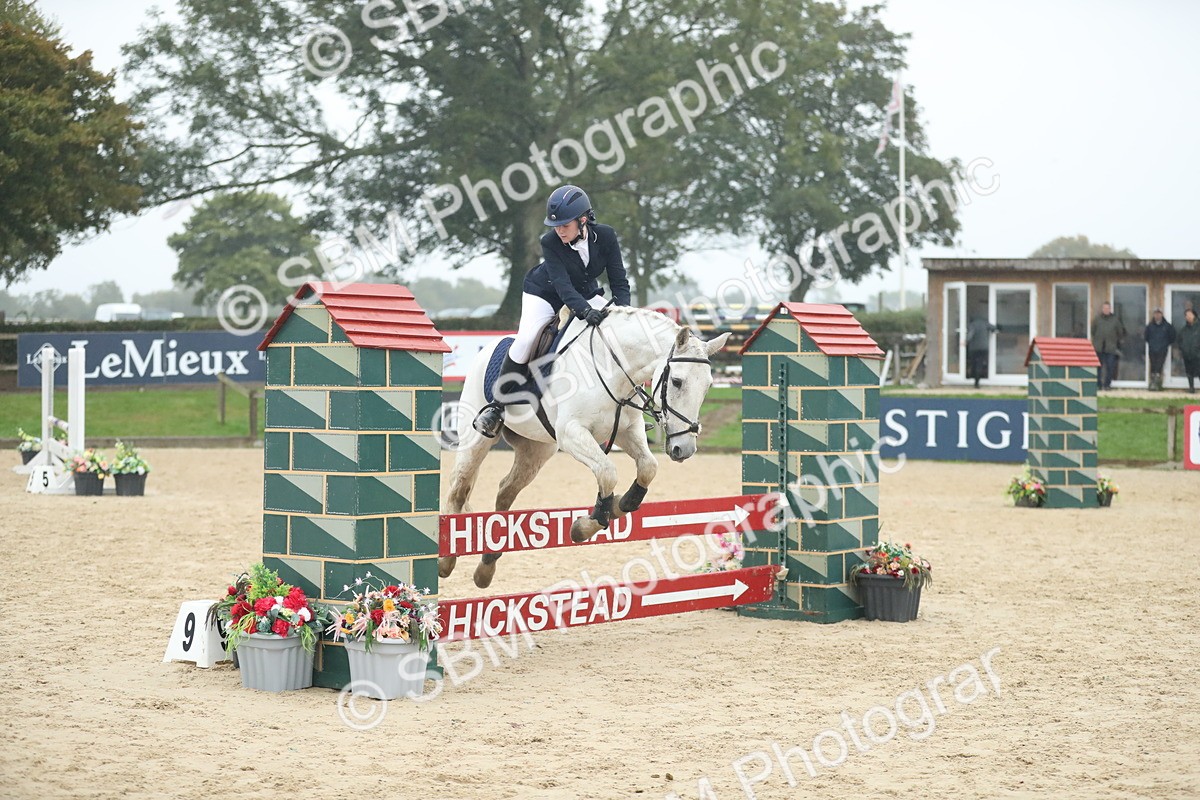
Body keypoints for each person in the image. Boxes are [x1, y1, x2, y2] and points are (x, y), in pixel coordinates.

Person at [473, 185, 632, 438]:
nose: (559, 230)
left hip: (586, 291)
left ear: (583, 220)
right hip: (544, 294)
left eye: (564, 225)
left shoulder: (606, 236)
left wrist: (624, 314)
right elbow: (562, 286)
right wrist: (584, 311)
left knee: (617, 335)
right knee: (526, 340)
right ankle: (496, 406)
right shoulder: (550, 242)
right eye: (555, 225)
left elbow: (619, 281)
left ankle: (626, 411)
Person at [1091, 302, 1126, 390]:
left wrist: (1116, 341)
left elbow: (1120, 332)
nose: (1106, 310)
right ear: (1102, 309)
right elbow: (1093, 331)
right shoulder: (1097, 319)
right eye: (1104, 308)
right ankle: (1098, 384)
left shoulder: (1115, 320)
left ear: (1110, 309)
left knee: (1110, 367)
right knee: (1098, 367)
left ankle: (1107, 385)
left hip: (1111, 348)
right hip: (1099, 347)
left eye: (1108, 308)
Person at [1144, 308, 1176, 391]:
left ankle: (1158, 385)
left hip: (1162, 350)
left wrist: (1165, 344)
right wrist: (1151, 344)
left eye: (1159, 313)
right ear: (1154, 315)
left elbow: (1172, 337)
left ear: (1162, 314)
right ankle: (1152, 384)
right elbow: (1146, 337)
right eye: (1156, 314)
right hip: (1152, 349)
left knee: (1159, 366)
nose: (1157, 315)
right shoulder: (1150, 326)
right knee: (1153, 367)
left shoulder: (1167, 326)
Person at [965, 311, 997, 389]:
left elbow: (971, 334)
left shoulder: (972, 325)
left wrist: (966, 341)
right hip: (984, 348)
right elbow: (994, 327)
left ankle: (974, 380)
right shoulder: (985, 323)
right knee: (979, 364)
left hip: (974, 348)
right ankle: (977, 381)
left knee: (973, 364)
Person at [1179, 308, 1200, 393]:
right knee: (1189, 372)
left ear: (1194, 315)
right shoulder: (1184, 329)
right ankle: (1191, 388)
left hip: (1198, 355)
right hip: (1187, 355)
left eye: (1189, 315)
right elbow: (1180, 340)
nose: (1188, 317)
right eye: (1186, 315)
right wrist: (1183, 350)